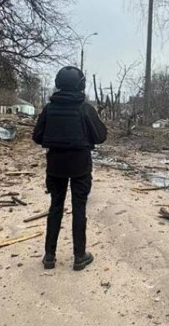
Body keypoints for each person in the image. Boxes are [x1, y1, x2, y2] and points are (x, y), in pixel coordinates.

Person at [32, 66, 107, 271]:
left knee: (55, 207)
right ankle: (79, 256)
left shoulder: (49, 109)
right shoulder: (85, 109)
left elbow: (37, 136)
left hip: (55, 166)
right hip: (80, 166)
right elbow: (101, 136)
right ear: (80, 85)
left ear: (58, 84)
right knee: (79, 209)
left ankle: (49, 256)